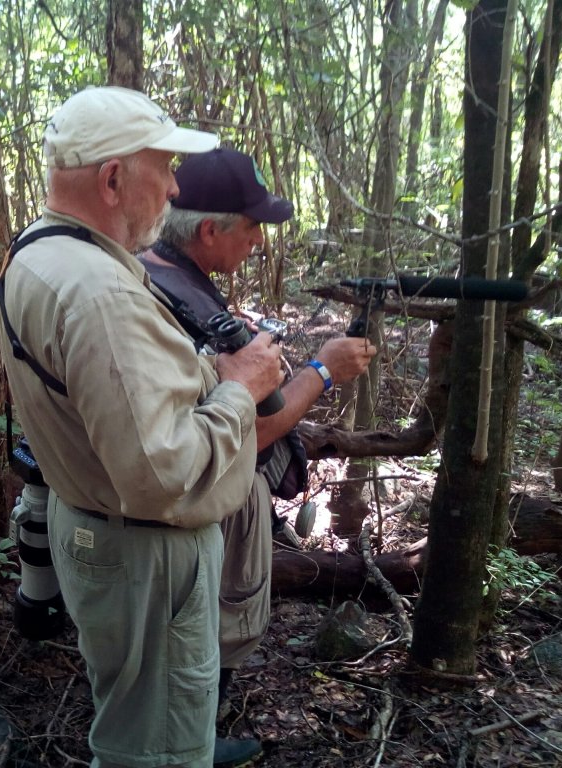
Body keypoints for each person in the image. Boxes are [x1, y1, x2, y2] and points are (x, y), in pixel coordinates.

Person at [0, 86, 285, 768]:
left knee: (136, 732)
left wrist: (204, 371)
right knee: (154, 754)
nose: (176, 186)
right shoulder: (99, 291)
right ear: (114, 177)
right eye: (166, 167)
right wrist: (241, 389)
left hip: (103, 528)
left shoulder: (41, 250)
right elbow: (164, 474)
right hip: (147, 555)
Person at [139, 147, 378, 755]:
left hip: (165, 510)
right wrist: (324, 370)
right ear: (211, 230)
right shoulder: (181, 304)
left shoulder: (149, 273)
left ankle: (187, 735)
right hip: (203, 503)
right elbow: (252, 430)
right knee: (211, 628)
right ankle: (193, 742)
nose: (262, 244)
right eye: (254, 228)